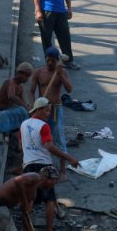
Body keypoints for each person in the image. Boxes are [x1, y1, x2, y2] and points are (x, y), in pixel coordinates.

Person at [20, 97, 79, 231]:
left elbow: (20, 147)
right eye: (46, 111)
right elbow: (48, 146)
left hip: (28, 164)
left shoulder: (23, 124)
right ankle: (49, 230)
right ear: (38, 110)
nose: (48, 114)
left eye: (49, 111)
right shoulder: (44, 126)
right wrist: (68, 157)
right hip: (44, 164)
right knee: (49, 199)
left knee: (29, 199)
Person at [30, 46, 73, 180]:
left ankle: (62, 170)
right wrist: (33, 105)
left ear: (56, 60)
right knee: (38, 137)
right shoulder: (38, 72)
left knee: (59, 137)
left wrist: (60, 75)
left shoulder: (62, 71)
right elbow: (31, 91)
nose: (50, 63)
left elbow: (69, 89)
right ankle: (40, 166)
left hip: (55, 108)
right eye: (48, 60)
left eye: (52, 61)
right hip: (42, 109)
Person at [0, 62, 33, 133]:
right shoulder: (10, 82)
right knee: (22, 110)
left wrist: (28, 108)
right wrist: (24, 107)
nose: (27, 79)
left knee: (25, 111)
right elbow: (11, 96)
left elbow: (22, 100)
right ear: (20, 73)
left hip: (9, 109)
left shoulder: (20, 86)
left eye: (28, 76)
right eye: (26, 76)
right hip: (0, 110)